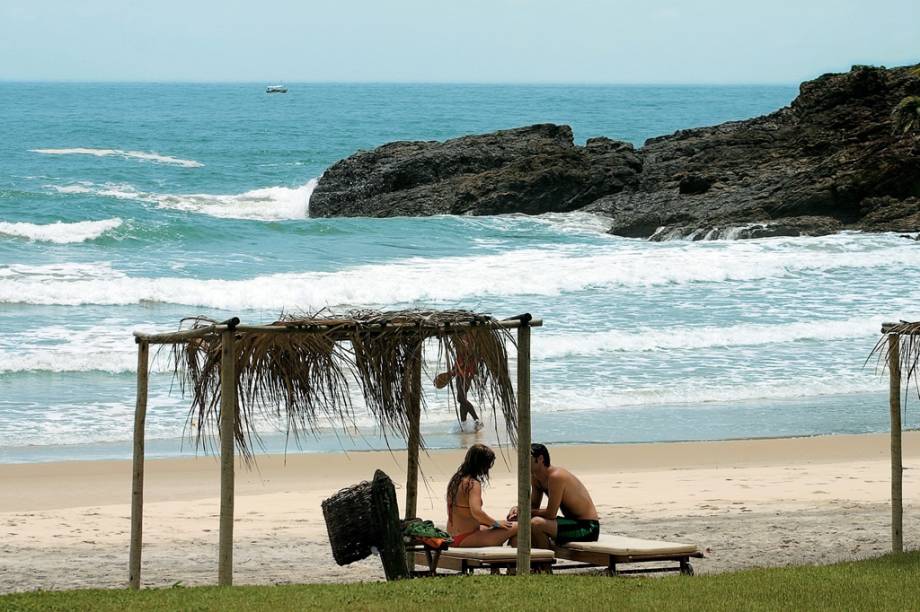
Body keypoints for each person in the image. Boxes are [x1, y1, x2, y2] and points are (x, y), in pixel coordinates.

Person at [508, 443, 599, 548]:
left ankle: (545, 562)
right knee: (517, 534)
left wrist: (524, 512)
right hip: (570, 523)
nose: (523, 462)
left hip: (588, 527)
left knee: (537, 523)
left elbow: (550, 514)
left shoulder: (556, 477)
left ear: (540, 459)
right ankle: (534, 560)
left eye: (527, 458)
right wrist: (517, 510)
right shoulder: (536, 477)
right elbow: (533, 506)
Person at [446, 444, 518, 547]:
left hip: (452, 535)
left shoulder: (455, 479)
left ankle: (507, 557)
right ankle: (514, 560)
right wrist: (496, 523)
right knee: (517, 526)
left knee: (491, 527)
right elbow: (477, 513)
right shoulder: (472, 483)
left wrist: (491, 524)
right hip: (466, 537)